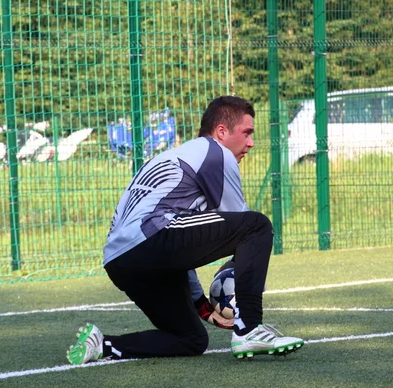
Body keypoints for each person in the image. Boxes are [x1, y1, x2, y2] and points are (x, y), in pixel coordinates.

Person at [66, 96, 304, 365]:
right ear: (222, 132)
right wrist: (235, 271)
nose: (251, 143)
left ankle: (103, 345)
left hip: (120, 261)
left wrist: (202, 305)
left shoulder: (175, 156)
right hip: (153, 239)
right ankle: (250, 330)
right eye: (247, 133)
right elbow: (242, 226)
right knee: (257, 226)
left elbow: (180, 240)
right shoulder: (216, 153)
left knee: (191, 339)